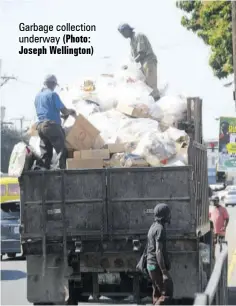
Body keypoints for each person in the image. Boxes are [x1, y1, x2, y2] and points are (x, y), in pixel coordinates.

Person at [34, 75, 76, 170]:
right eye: (54, 85)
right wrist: (72, 111)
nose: (54, 87)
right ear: (52, 84)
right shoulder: (52, 94)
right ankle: (60, 170)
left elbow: (46, 110)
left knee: (46, 152)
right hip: (51, 126)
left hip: (40, 127)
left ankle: (42, 169)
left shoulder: (37, 96)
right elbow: (64, 111)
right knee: (61, 150)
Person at [118, 23, 160, 101]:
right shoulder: (131, 41)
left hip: (148, 61)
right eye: (121, 33)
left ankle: (157, 103)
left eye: (123, 32)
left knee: (151, 86)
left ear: (128, 30)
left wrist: (131, 64)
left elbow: (142, 53)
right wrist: (127, 66)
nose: (123, 35)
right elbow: (133, 57)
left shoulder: (138, 35)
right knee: (145, 87)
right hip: (142, 64)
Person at [146, 203, 173, 305]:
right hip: (156, 266)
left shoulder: (153, 226)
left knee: (157, 292)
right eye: (168, 214)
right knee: (166, 294)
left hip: (151, 265)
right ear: (164, 215)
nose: (169, 216)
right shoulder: (160, 229)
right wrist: (164, 272)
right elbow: (158, 251)